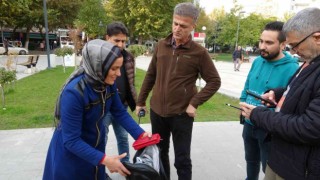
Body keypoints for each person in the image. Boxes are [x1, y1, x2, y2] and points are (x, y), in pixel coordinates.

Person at [43, 39, 151, 180]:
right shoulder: (74, 93)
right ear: (99, 66)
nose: (119, 74)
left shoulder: (106, 84)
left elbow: (119, 112)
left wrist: (141, 135)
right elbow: (71, 140)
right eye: (114, 69)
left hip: (95, 148)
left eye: (120, 67)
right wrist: (105, 160)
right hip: (71, 156)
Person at [136, 2, 221, 180]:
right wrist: (141, 101)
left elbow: (214, 81)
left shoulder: (199, 52)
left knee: (182, 159)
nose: (177, 28)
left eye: (183, 25)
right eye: (175, 23)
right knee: (160, 154)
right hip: (157, 111)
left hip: (182, 114)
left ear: (192, 26)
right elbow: (151, 75)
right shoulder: (161, 45)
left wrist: (194, 102)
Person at [240, 7, 320, 180]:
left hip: (299, 167)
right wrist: (278, 94)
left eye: (295, 45)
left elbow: (310, 127)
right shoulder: (310, 62)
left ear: (317, 38)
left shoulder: (301, 63)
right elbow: (301, 91)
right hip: (282, 155)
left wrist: (258, 115)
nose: (292, 52)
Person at [239, 21, 299, 180]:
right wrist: (242, 101)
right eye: (261, 41)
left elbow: (289, 102)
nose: (262, 46)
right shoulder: (257, 61)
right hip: (249, 123)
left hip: (269, 130)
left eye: (269, 42)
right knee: (250, 161)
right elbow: (248, 84)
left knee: (269, 168)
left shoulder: (292, 68)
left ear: (283, 44)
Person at [102, 22, 136, 163]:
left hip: (121, 106)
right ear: (107, 38)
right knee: (100, 139)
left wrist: (135, 101)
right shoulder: (98, 57)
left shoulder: (127, 57)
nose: (121, 45)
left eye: (123, 41)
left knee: (123, 137)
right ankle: (99, 168)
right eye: (117, 40)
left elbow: (130, 82)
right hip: (103, 107)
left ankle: (126, 164)